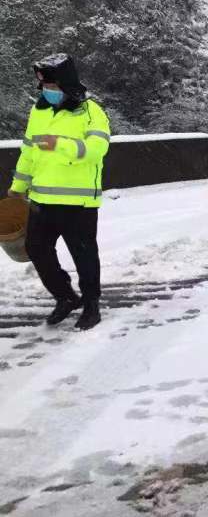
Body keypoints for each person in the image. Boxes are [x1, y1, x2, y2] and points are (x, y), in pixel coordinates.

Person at [5, 54, 111, 330]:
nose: (47, 93)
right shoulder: (38, 112)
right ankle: (65, 297)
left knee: (84, 254)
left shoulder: (91, 112)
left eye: (52, 87)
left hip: (78, 201)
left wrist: (59, 144)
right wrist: (18, 188)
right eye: (44, 88)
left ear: (67, 85)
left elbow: (96, 151)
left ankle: (91, 305)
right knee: (36, 249)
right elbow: (28, 151)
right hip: (41, 200)